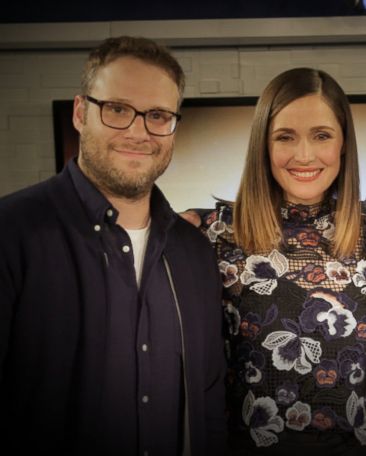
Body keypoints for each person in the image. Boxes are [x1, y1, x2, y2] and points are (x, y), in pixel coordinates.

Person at [0, 36, 226, 455]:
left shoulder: (194, 252)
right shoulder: (11, 234)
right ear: (81, 112)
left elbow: (208, 399)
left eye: (157, 115)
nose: (139, 131)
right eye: (118, 109)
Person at [184, 67, 366, 455]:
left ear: (343, 143)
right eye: (285, 137)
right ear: (263, 144)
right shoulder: (215, 234)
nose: (304, 155)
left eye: (322, 135)